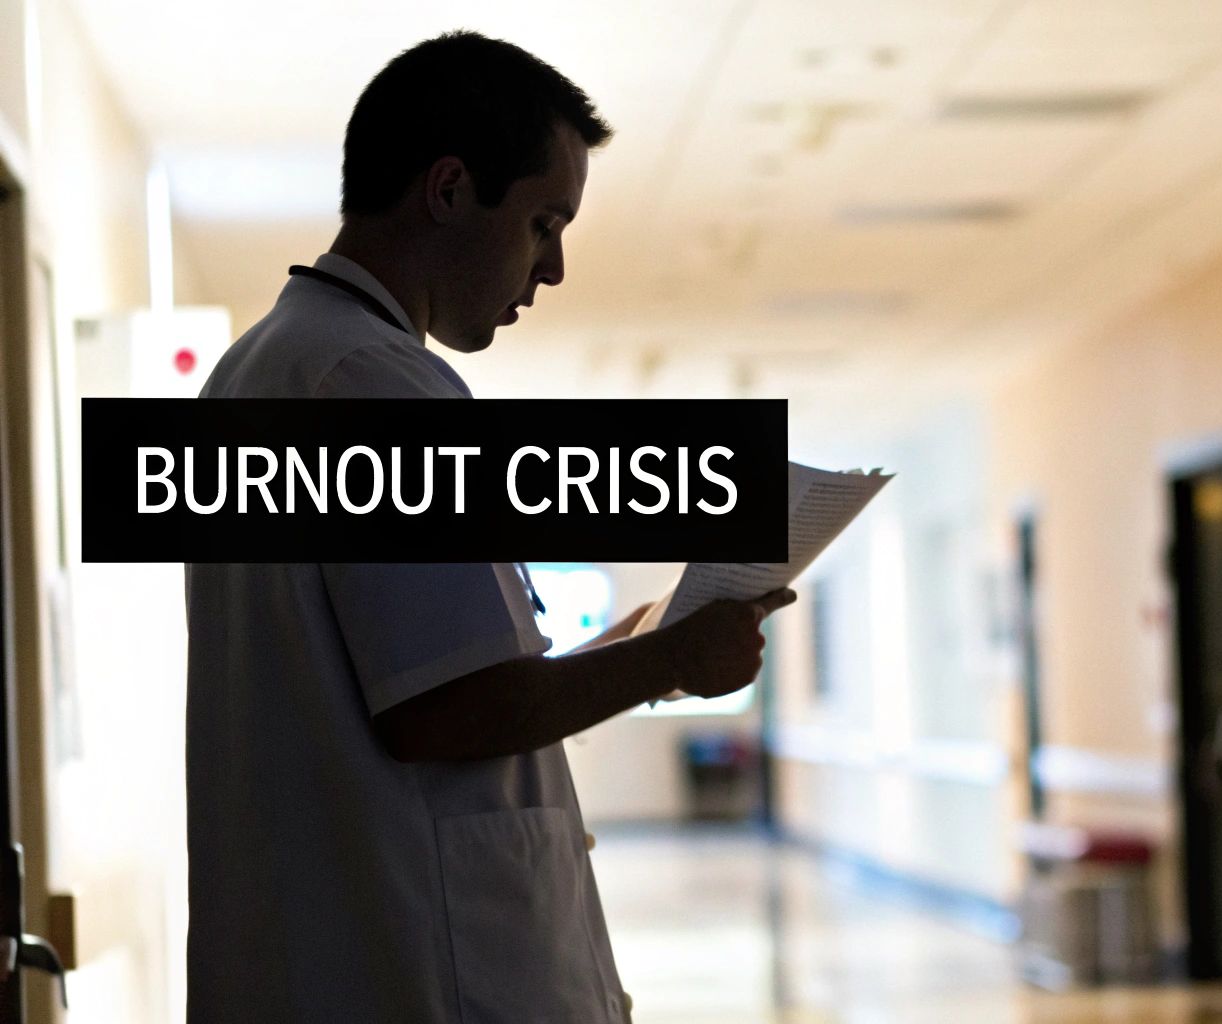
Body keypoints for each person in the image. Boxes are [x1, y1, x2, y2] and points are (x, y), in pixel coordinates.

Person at [183, 31, 790, 1023]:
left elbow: (407, 683)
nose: (549, 267)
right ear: (451, 189)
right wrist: (671, 658)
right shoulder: (378, 385)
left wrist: (627, 652)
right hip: (416, 973)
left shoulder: (264, 372)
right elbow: (445, 715)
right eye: (544, 221)